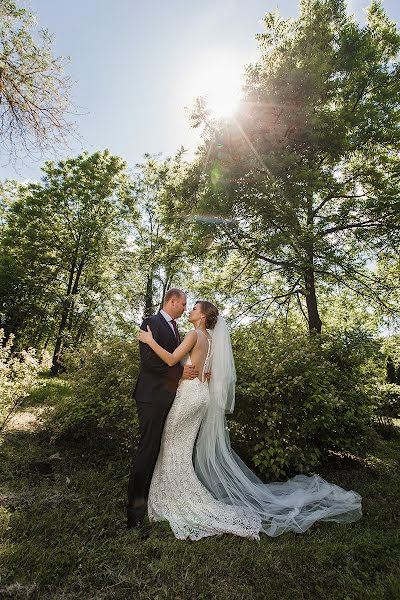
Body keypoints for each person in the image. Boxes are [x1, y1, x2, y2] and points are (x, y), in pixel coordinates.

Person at [138, 300, 362, 541]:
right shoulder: (211, 340)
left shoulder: (194, 334)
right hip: (201, 395)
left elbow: (172, 360)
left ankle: (174, 499)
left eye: (194, 309)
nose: (189, 311)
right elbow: (207, 370)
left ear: (202, 317)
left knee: (171, 445)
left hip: (189, 395)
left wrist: (150, 341)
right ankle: (177, 494)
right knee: (179, 448)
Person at [126, 288, 199, 530]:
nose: (185, 308)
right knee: (147, 449)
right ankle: (134, 513)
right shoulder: (151, 322)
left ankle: (152, 498)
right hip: (150, 397)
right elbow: (148, 362)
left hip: (167, 397)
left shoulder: (175, 328)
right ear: (172, 301)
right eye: (183, 303)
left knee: (158, 448)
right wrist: (180, 372)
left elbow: (173, 357)